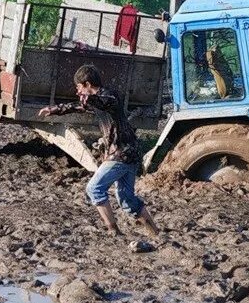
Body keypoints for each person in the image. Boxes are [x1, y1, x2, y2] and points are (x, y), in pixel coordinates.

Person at [38, 64, 159, 237]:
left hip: (121, 153)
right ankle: (155, 233)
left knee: (94, 188)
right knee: (127, 200)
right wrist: (54, 109)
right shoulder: (97, 100)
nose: (77, 92)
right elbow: (77, 106)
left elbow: (101, 102)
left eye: (79, 87)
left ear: (87, 84)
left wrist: (89, 98)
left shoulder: (109, 97)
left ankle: (113, 231)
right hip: (128, 153)